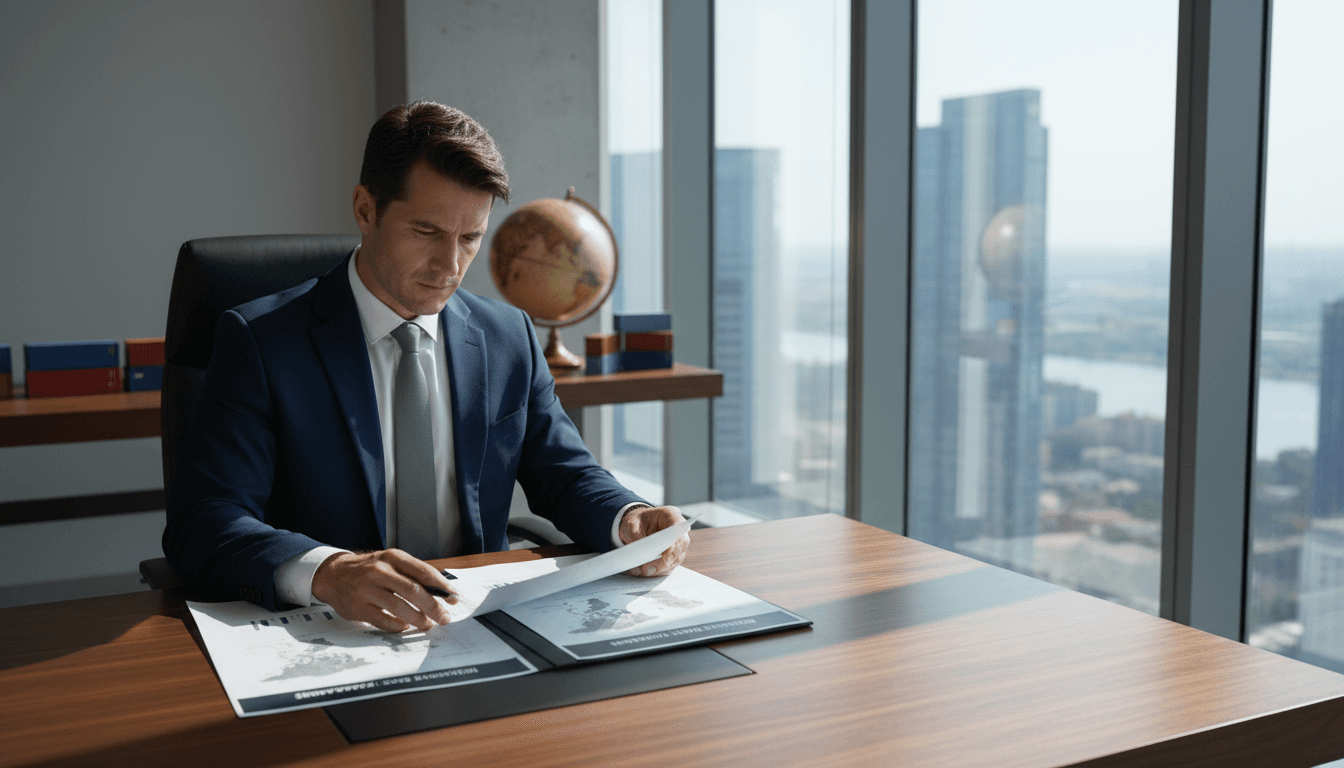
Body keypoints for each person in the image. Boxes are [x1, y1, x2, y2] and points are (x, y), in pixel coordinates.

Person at [163, 102, 689, 633]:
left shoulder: (509, 337)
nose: (450, 266)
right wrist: (328, 570)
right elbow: (205, 524)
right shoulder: (261, 343)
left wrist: (629, 517)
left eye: (470, 238)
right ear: (365, 210)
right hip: (332, 633)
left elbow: (564, 473)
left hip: (474, 624)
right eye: (427, 232)